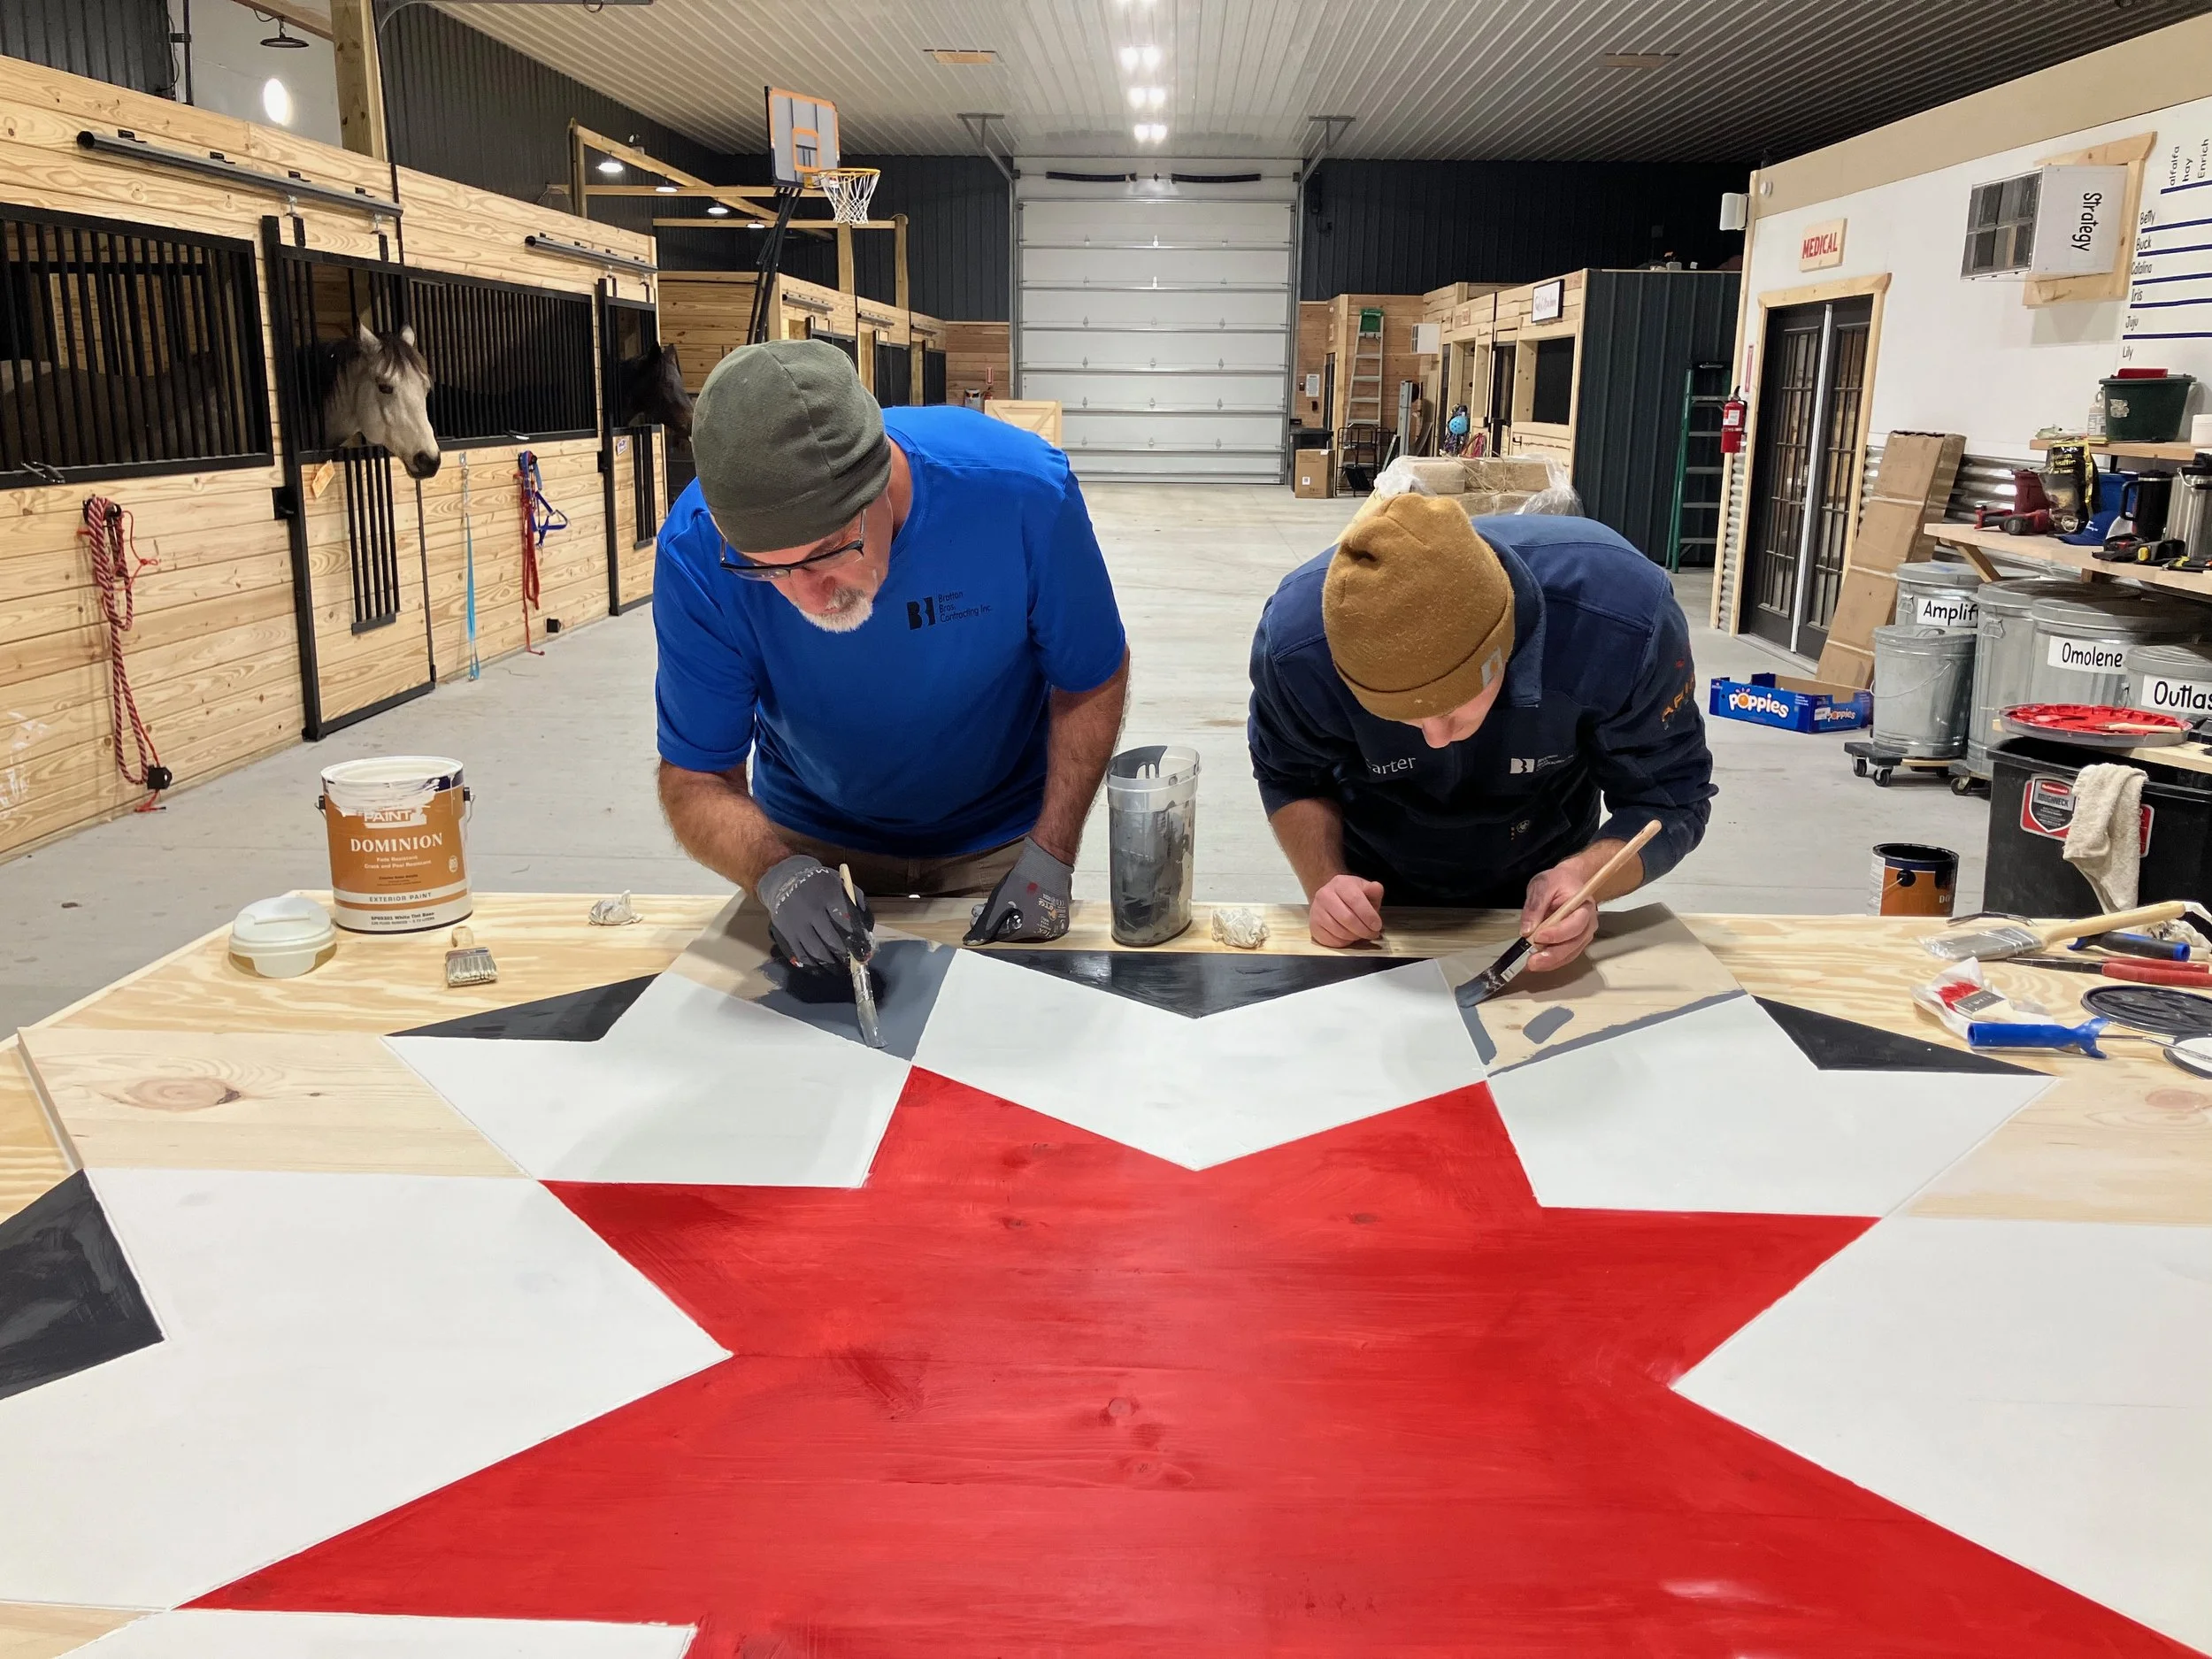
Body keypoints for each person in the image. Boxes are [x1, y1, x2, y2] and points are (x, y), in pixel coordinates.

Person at [654, 339, 1129, 972]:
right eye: (769, 571)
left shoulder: (1020, 494)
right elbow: (695, 777)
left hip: (998, 837)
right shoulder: (695, 555)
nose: (808, 595)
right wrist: (777, 872)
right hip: (809, 840)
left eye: (827, 549)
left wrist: (1052, 851)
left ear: (881, 481)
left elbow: (1091, 676)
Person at [1247, 492, 1713, 969]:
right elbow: (1290, 776)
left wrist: (1586, 876)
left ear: (1502, 650)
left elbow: (1669, 797)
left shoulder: (1620, 621)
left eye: (1452, 709)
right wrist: (1326, 881)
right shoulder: (1296, 646)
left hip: (1547, 859)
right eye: (1400, 718)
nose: (1435, 738)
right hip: (1376, 885)